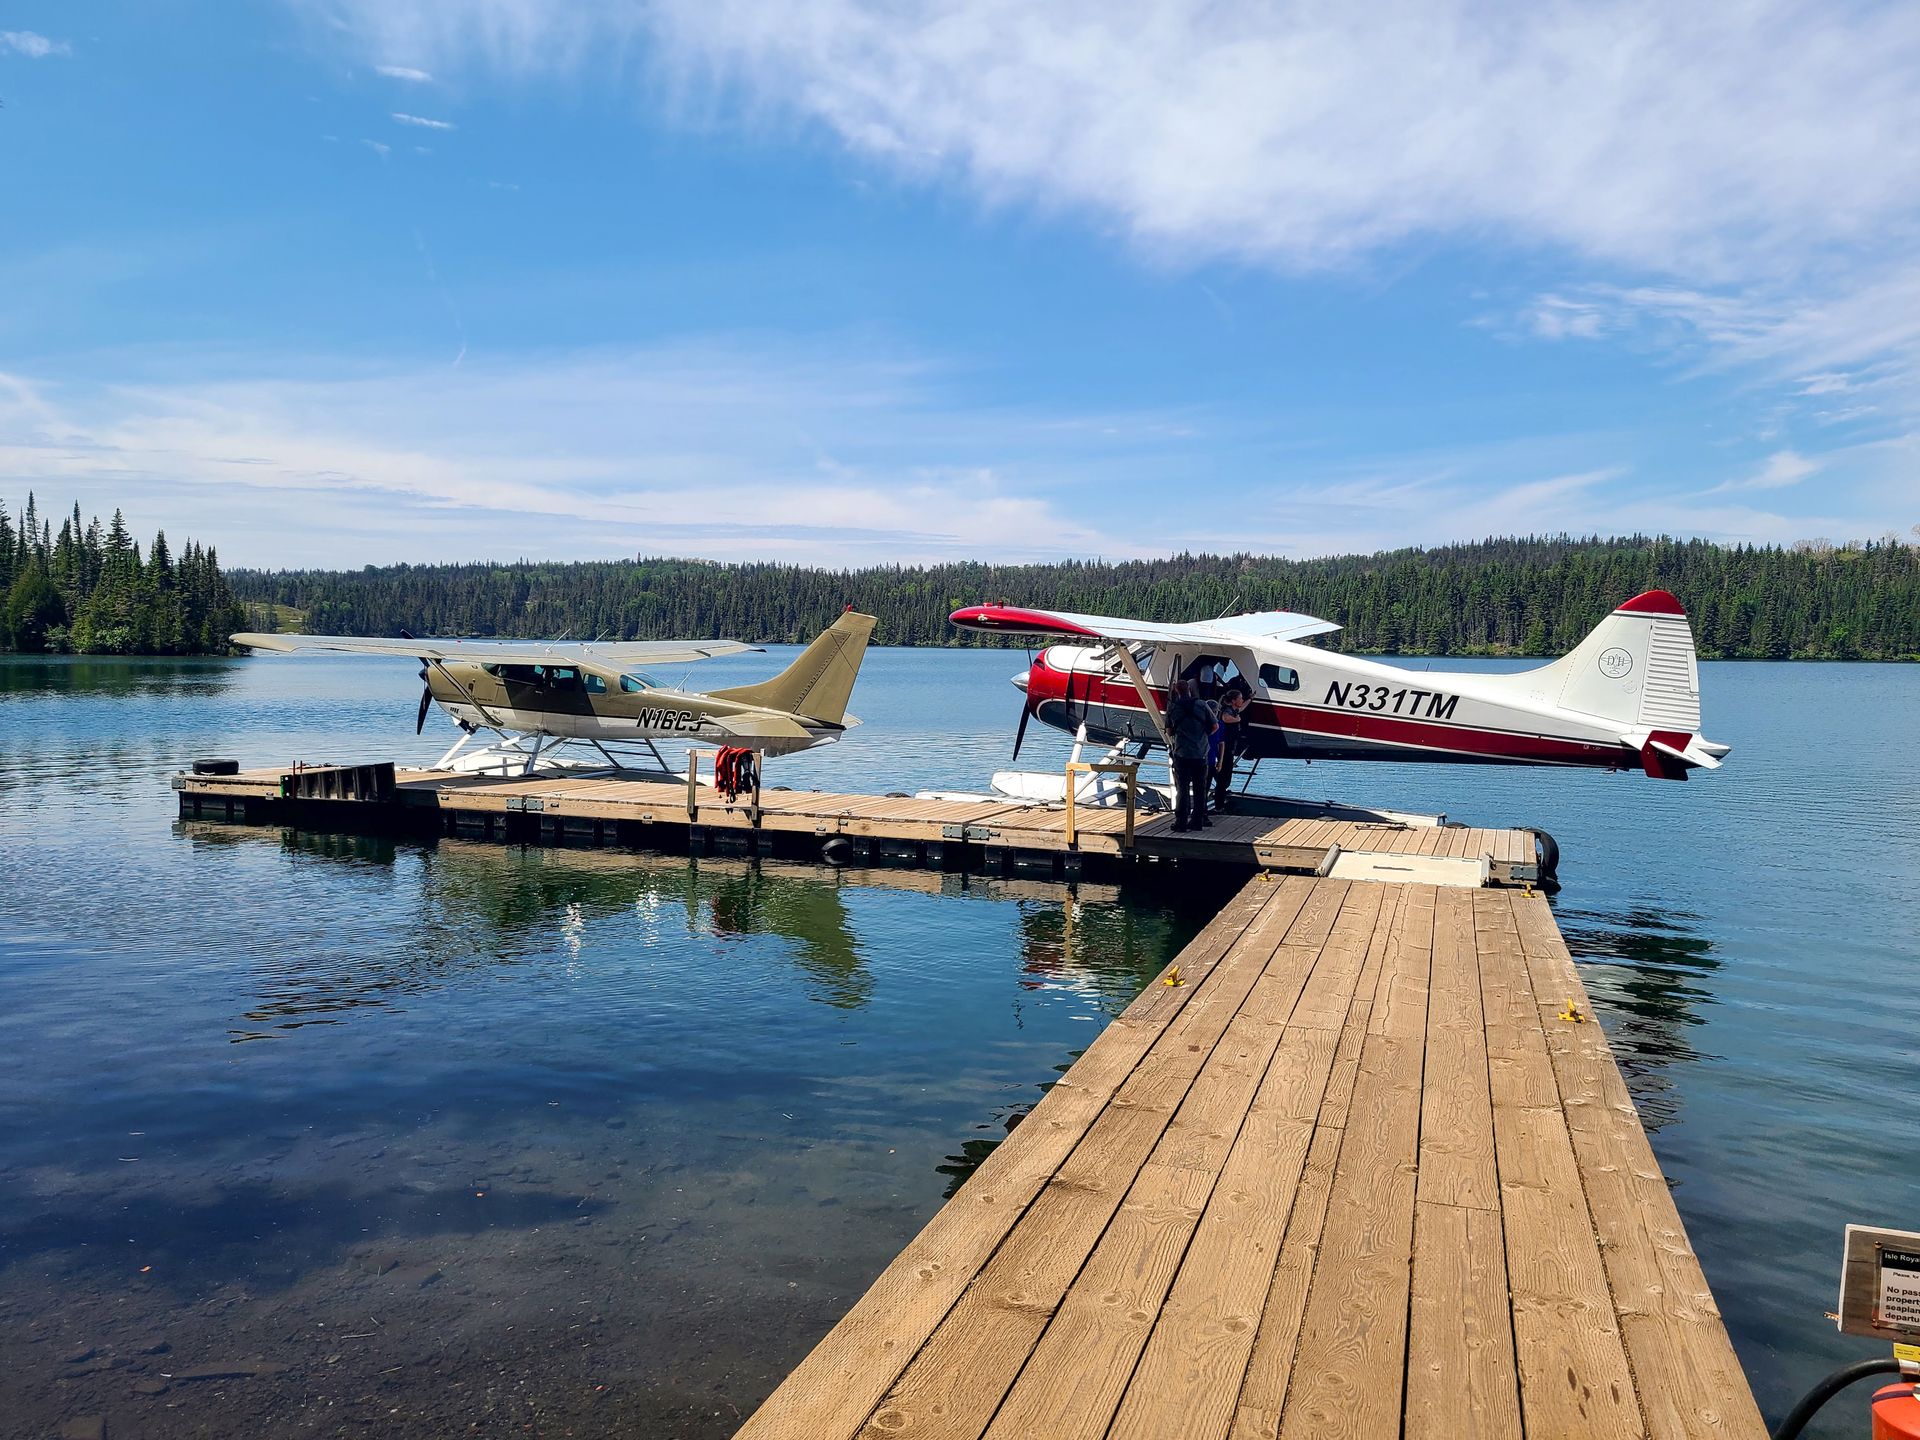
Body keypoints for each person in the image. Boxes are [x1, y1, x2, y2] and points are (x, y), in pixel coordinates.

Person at [1164, 678, 1217, 832]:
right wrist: (1202, 735)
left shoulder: (1173, 708)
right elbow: (1214, 726)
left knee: (1182, 788)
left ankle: (1180, 822)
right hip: (1200, 754)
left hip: (1182, 753)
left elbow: (1169, 731)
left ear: (1176, 690)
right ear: (1189, 689)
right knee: (1200, 789)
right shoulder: (1202, 704)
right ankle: (1197, 821)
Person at [1212, 686, 1251, 809]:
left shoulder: (1234, 710)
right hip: (1226, 748)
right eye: (1240, 698)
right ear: (1234, 700)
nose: (1241, 700)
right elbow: (1225, 718)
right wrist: (1237, 719)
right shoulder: (1227, 711)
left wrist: (1250, 699)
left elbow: (1242, 707)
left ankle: (1220, 798)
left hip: (1230, 748)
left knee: (1226, 777)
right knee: (1224, 778)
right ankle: (1219, 804)